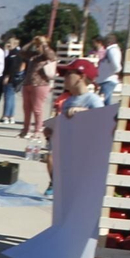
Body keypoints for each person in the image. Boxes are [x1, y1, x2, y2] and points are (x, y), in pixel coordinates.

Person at [42, 60, 104, 198]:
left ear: (81, 77)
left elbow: (102, 122)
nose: (64, 77)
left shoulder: (93, 100)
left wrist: (84, 112)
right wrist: (52, 131)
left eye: (68, 73)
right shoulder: (68, 101)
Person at [19, 35, 58, 138]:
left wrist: (44, 43)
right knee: (27, 108)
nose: (38, 47)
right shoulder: (34, 55)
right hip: (28, 83)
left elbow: (52, 56)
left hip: (41, 84)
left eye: (39, 45)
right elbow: (22, 52)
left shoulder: (47, 55)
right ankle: (25, 130)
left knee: (37, 109)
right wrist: (32, 42)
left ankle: (37, 130)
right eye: (37, 45)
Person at [0, 34, 24, 125]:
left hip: (11, 78)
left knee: (8, 97)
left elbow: (12, 67)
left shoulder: (13, 54)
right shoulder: (15, 53)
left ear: (15, 44)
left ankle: (6, 116)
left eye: (10, 43)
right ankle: (11, 116)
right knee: (12, 97)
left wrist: (7, 76)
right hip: (15, 78)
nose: (8, 44)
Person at [95, 33, 123, 104]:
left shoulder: (112, 50)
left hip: (108, 80)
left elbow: (116, 65)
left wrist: (117, 71)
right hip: (106, 80)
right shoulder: (111, 50)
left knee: (101, 101)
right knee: (106, 102)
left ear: (109, 42)